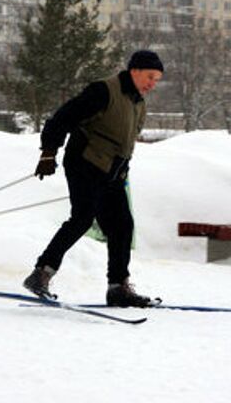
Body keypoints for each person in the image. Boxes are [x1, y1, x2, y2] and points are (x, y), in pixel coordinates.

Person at [23, 50, 164, 307]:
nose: (153, 84)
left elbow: (125, 144)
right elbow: (64, 117)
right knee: (83, 218)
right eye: (150, 77)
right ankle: (41, 274)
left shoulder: (138, 102)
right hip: (84, 163)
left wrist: (121, 171)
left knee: (122, 225)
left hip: (112, 174)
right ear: (135, 71)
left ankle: (118, 288)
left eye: (157, 80)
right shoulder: (104, 91)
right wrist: (48, 152)